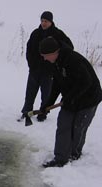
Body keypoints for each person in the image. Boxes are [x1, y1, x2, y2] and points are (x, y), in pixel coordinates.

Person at [39, 37, 102, 168]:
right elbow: (56, 84)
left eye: (46, 56)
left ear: (55, 52)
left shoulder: (73, 60)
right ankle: (60, 158)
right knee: (63, 125)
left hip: (89, 99)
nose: (44, 59)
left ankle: (74, 154)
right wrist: (47, 103)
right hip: (71, 97)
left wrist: (69, 98)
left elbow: (86, 82)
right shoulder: (55, 63)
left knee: (78, 127)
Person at [20, 11, 73, 122]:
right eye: (42, 21)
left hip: (49, 71)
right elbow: (29, 49)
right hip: (35, 69)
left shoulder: (57, 34)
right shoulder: (35, 33)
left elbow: (69, 47)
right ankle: (26, 112)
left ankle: (43, 113)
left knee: (47, 94)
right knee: (30, 92)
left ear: (51, 21)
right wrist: (31, 64)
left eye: (46, 21)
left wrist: (56, 63)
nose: (44, 23)